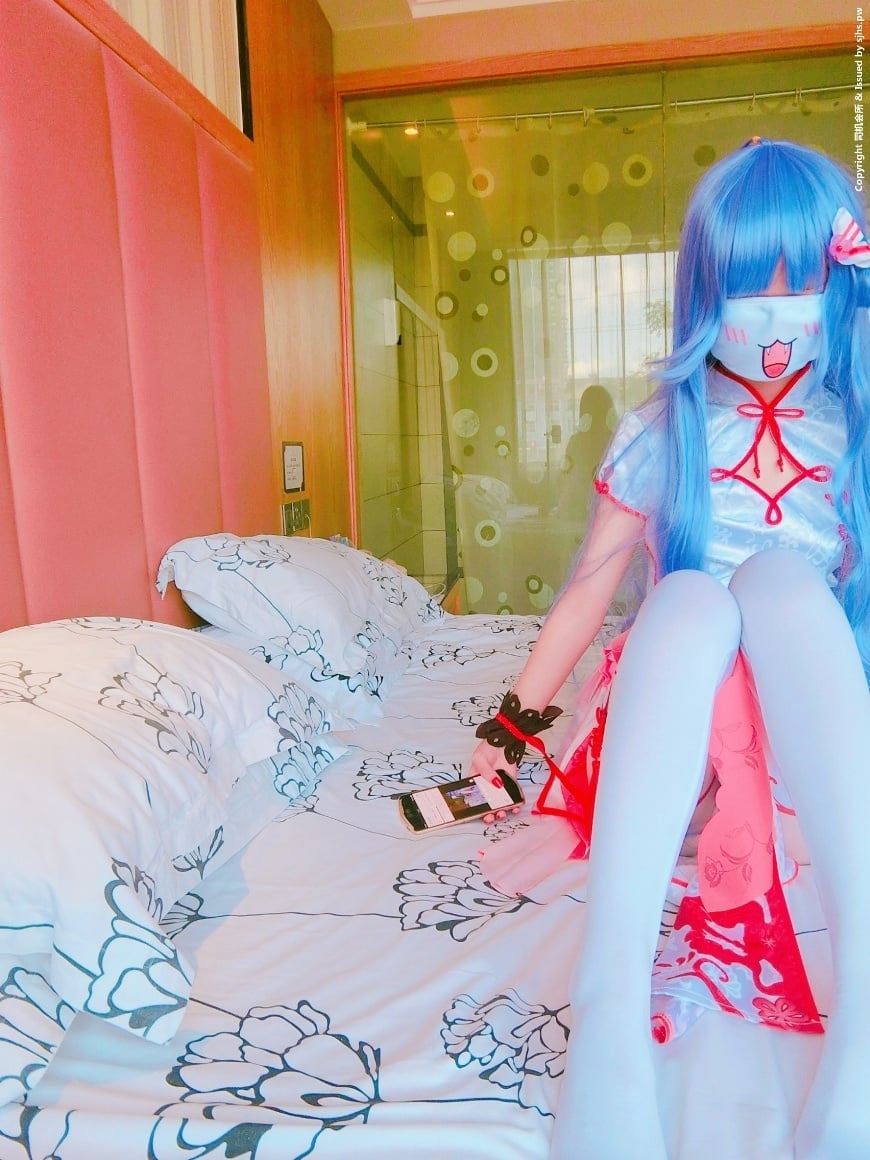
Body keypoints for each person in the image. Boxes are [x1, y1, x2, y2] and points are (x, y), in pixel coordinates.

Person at [467, 138, 870, 1160]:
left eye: (802, 289)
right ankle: (608, 1010)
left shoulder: (854, 427)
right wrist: (510, 729)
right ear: (702, 298)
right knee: (689, 598)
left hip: (805, 744)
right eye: (745, 294)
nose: (774, 324)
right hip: (678, 740)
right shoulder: (665, 431)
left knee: (781, 584)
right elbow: (588, 591)